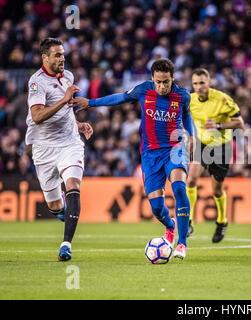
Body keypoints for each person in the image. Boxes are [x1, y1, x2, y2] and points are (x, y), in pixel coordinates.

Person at [71, 59, 194, 259]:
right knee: (156, 208)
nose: (162, 87)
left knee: (179, 188)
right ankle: (170, 226)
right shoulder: (143, 90)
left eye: (166, 82)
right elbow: (119, 98)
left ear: (173, 79)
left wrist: (192, 135)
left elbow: (187, 117)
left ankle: (182, 243)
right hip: (150, 154)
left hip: (174, 147)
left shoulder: (182, 96)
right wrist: (91, 103)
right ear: (152, 79)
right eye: (158, 82)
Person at [26, 38, 93, 261]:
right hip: (44, 148)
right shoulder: (37, 82)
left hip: (69, 143)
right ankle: (63, 207)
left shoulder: (69, 77)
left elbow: (66, 113)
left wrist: (78, 124)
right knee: (54, 206)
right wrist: (65, 100)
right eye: (57, 55)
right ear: (45, 58)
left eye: (63, 54)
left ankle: (66, 245)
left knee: (73, 184)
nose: (62, 58)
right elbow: (37, 116)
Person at [186, 68, 244, 243]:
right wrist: (190, 138)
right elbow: (185, 119)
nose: (198, 87)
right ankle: (188, 221)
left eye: (202, 83)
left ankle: (222, 221)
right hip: (202, 144)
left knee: (217, 190)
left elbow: (240, 123)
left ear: (209, 82)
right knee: (191, 180)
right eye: (195, 83)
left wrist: (218, 125)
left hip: (220, 147)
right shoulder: (190, 100)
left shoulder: (222, 99)